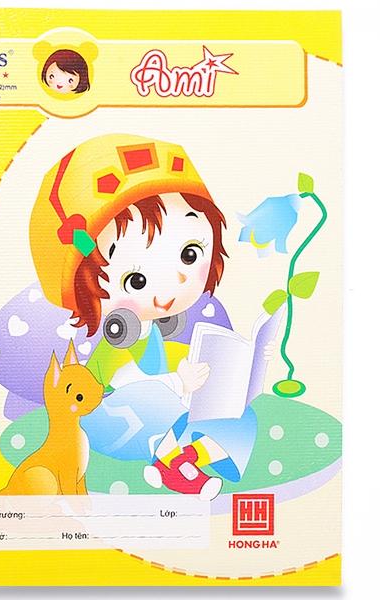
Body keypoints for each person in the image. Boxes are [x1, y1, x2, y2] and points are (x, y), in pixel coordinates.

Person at [29, 134, 257, 499]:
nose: (171, 288)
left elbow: (176, 367)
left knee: (240, 416)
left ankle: (188, 459)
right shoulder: (117, 345)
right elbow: (128, 385)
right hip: (112, 418)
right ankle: (174, 469)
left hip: (163, 410)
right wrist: (179, 383)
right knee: (155, 401)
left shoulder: (154, 333)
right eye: (135, 280)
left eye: (189, 255)